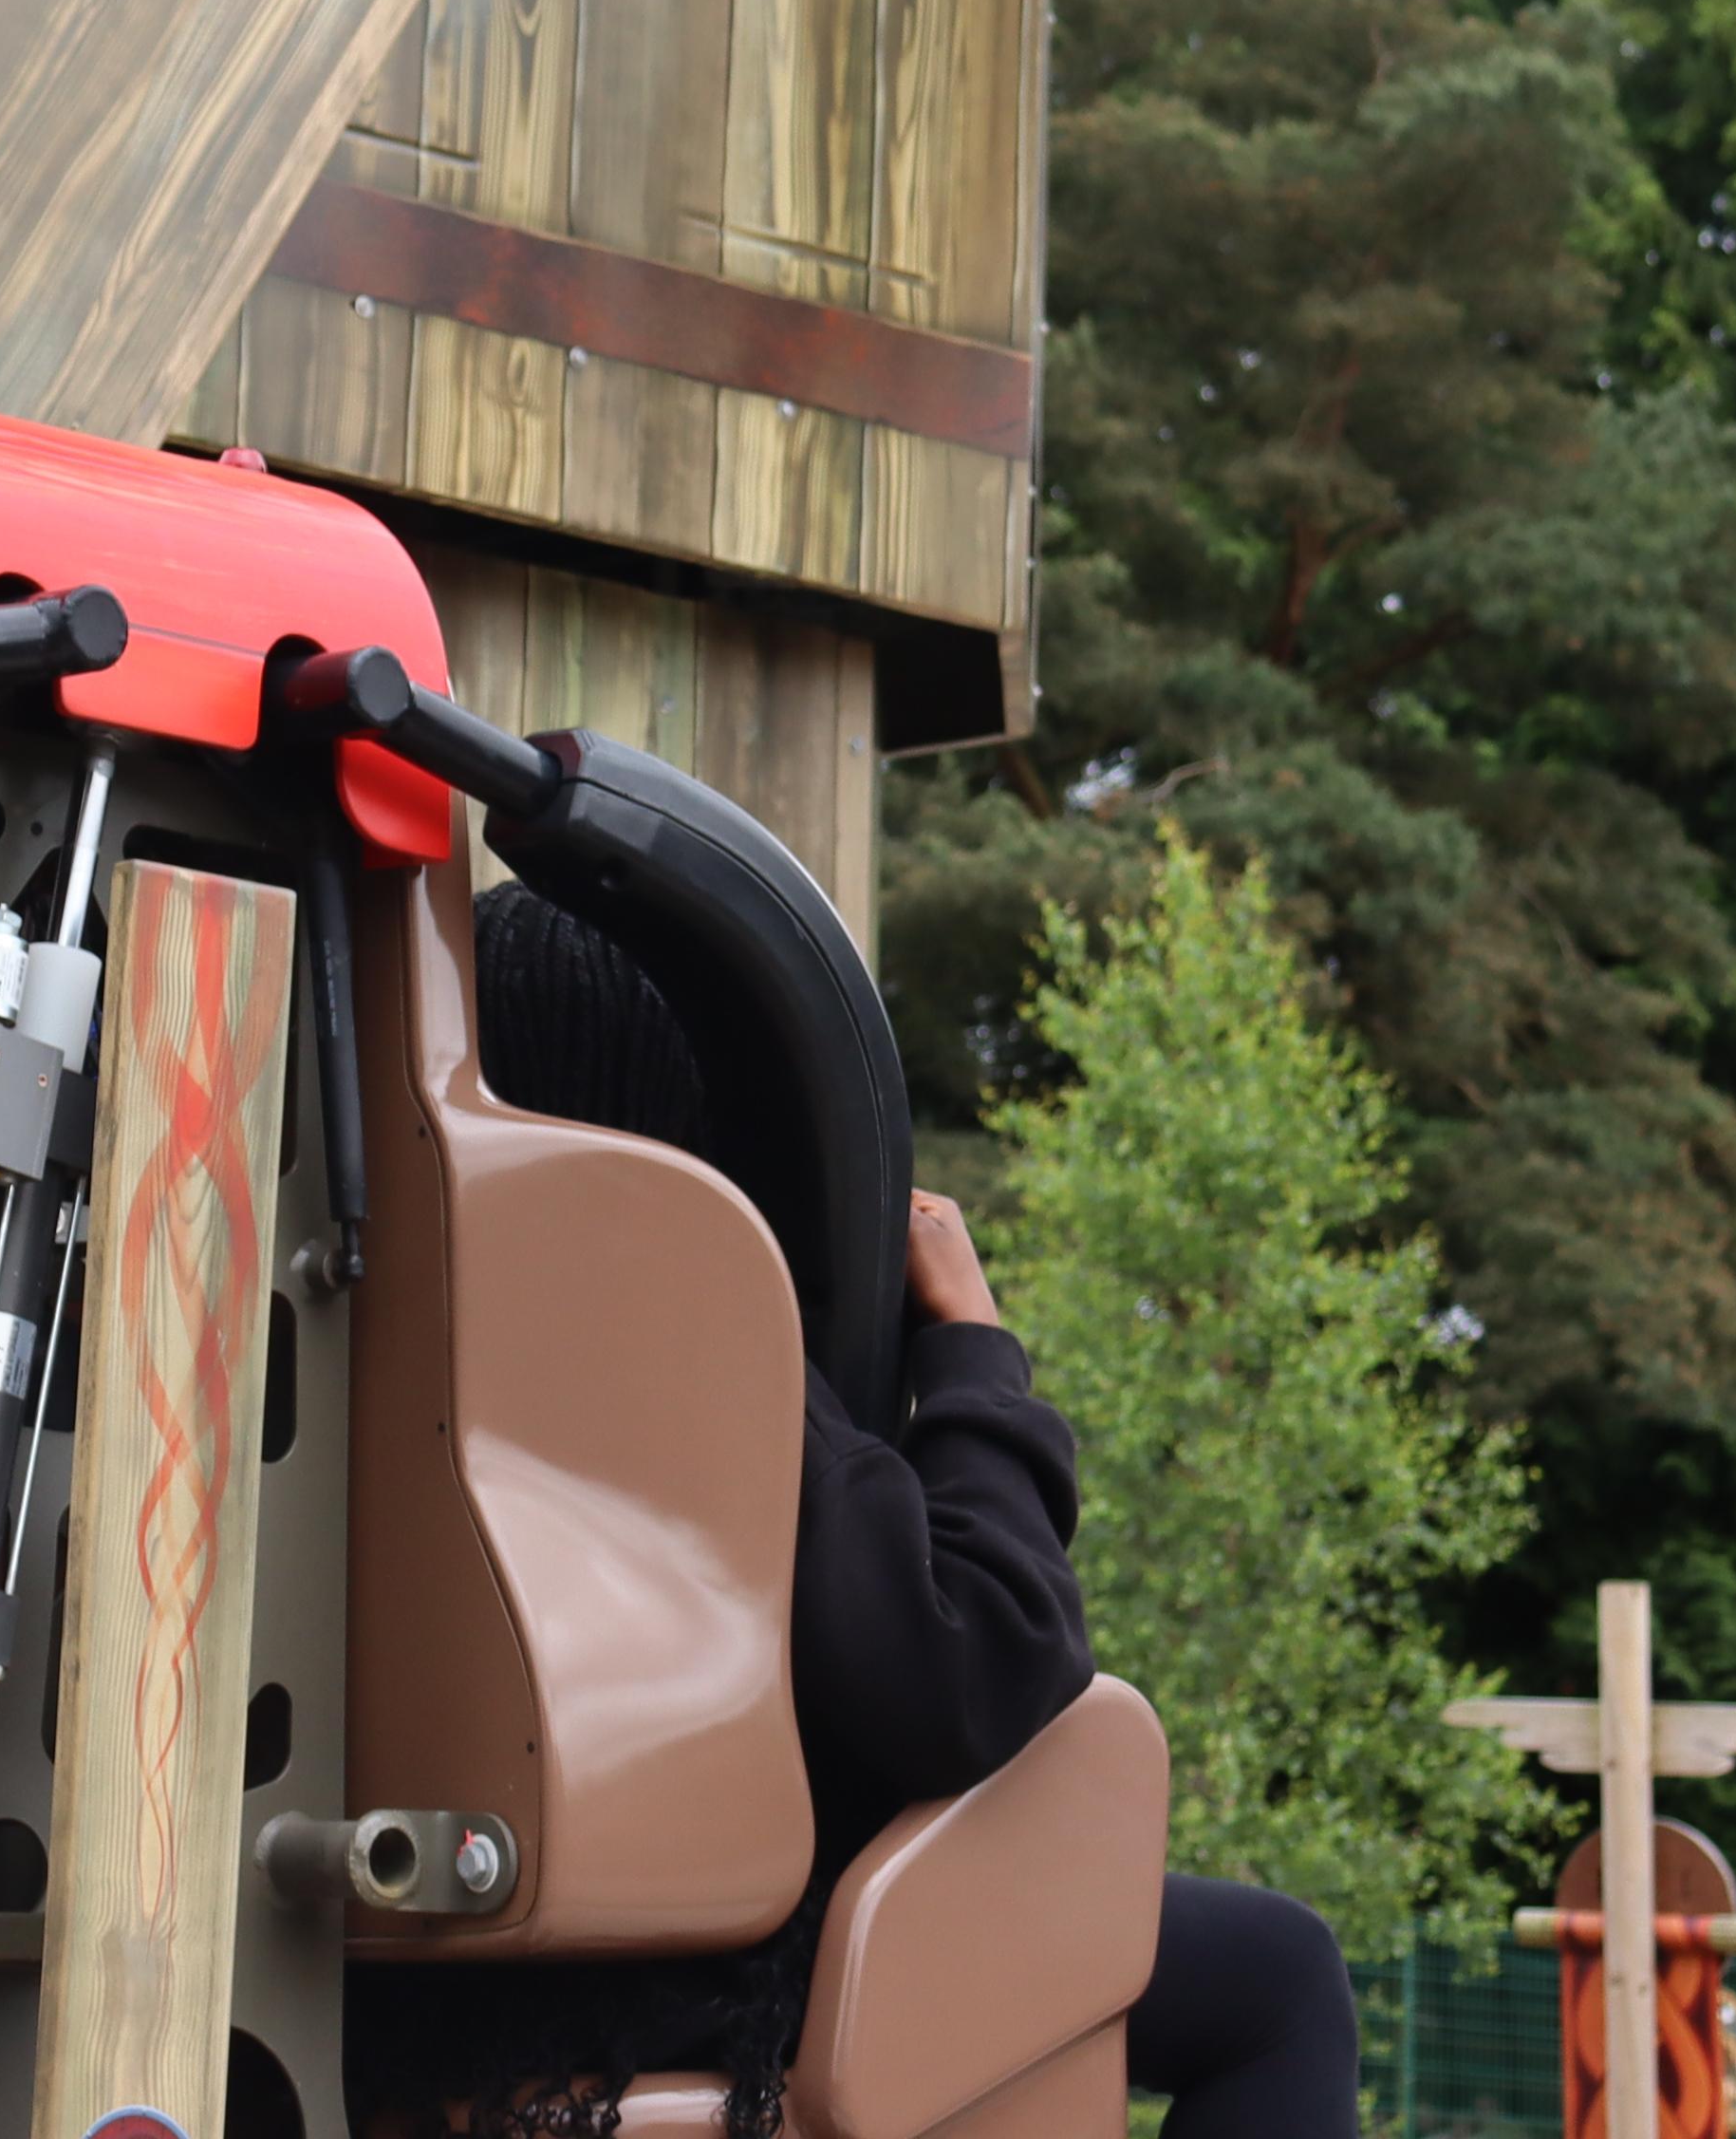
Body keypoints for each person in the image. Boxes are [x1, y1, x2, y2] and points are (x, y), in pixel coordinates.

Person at [354, 885, 1360, 2139]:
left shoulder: (363, 1320)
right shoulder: (675, 1334)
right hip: (683, 1973)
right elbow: (970, 1664)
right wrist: (974, 1350)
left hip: (402, 1978)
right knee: (1277, 1976)